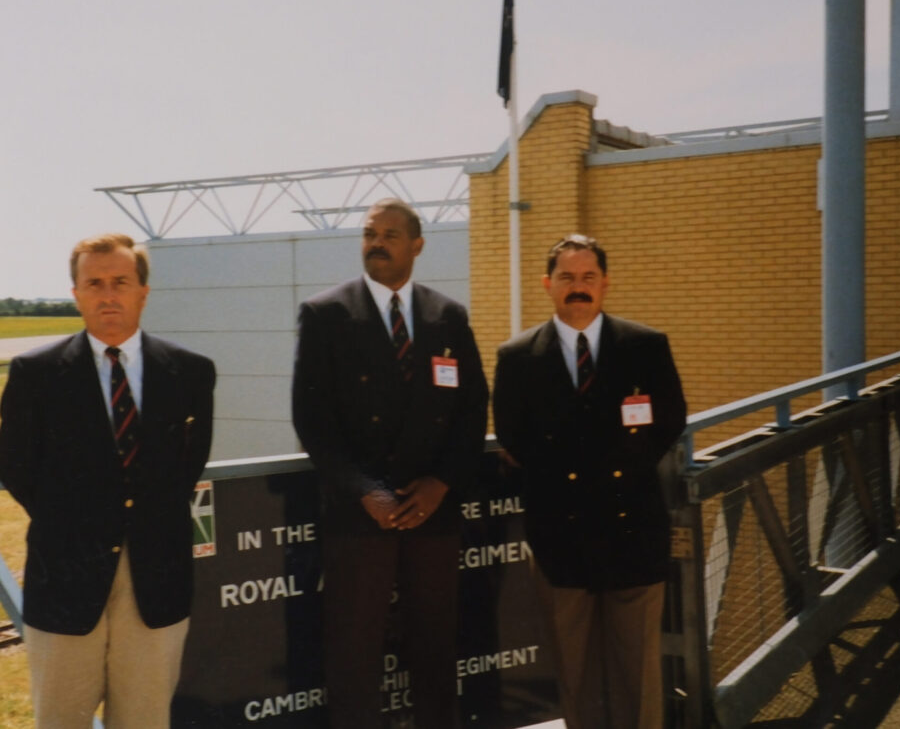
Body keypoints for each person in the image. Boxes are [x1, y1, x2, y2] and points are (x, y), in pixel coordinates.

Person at [0, 233, 215, 728]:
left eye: (121, 282)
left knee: (144, 719)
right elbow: (14, 466)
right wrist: (77, 523)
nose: (108, 295)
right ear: (76, 294)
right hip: (65, 576)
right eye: (94, 284)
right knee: (61, 719)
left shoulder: (191, 372)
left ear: (144, 292)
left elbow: (189, 464)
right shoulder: (35, 373)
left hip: (156, 579)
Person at [292, 198, 488, 729]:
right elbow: (312, 420)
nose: (376, 243)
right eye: (369, 234)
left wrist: (441, 484)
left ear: (417, 245)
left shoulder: (448, 317)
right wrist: (366, 491)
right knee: (354, 656)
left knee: (436, 650)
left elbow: (473, 409)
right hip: (360, 517)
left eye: (390, 235)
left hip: (433, 515)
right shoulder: (326, 314)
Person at [492, 234, 686, 729]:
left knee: (637, 677)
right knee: (574, 676)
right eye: (566, 277)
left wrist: (609, 469)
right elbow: (513, 435)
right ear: (547, 284)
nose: (578, 287)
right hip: (560, 534)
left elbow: (669, 421)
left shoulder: (645, 345)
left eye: (588, 277)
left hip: (632, 527)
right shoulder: (517, 356)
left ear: (605, 283)